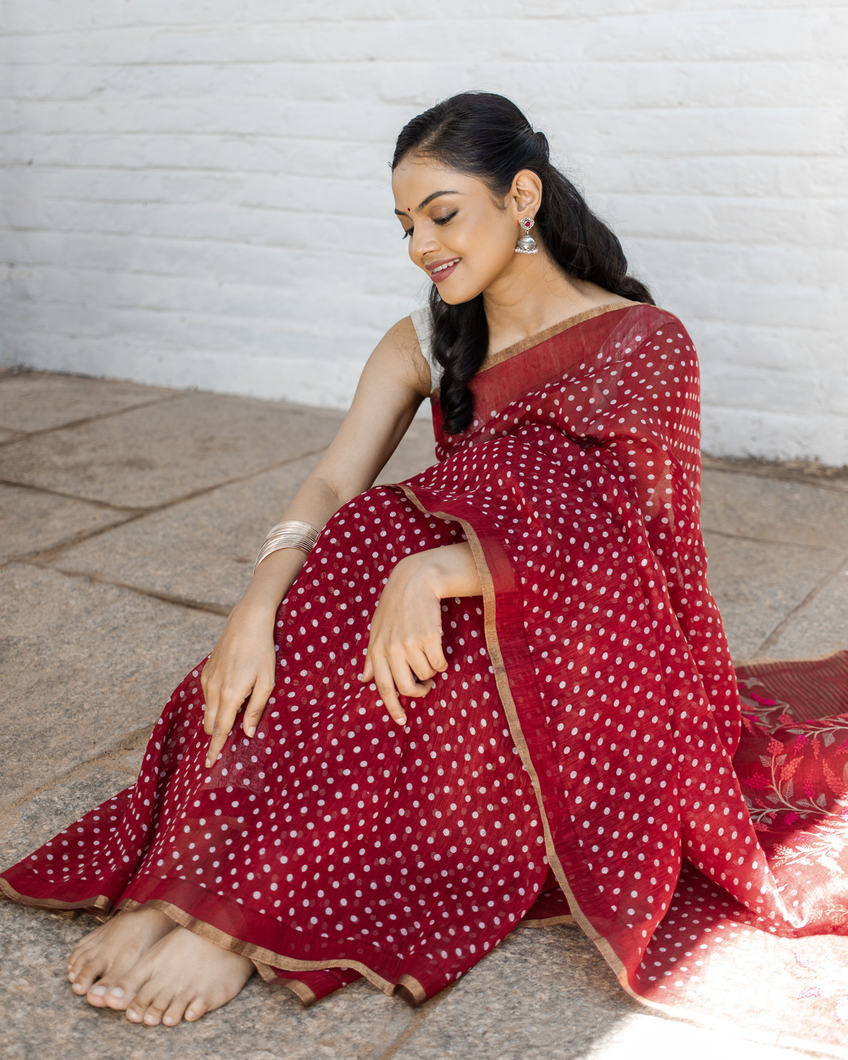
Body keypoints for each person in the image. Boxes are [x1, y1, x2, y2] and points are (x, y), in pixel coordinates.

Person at [2, 91, 847, 1044]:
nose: (421, 247)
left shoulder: (645, 345)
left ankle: (232, 917)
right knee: (342, 567)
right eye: (406, 225)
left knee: (394, 582)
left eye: (442, 215)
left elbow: (639, 551)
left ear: (521, 196)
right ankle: (190, 888)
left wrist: (448, 570)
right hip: (442, 629)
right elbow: (328, 482)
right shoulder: (426, 342)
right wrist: (250, 612)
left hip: (582, 654)